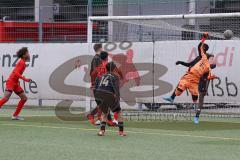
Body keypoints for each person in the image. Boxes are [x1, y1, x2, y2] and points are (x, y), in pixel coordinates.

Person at [163, 32, 216, 106]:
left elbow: (211, 65)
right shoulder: (199, 57)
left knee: (194, 92)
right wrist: (181, 62)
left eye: (202, 47)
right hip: (190, 75)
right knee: (181, 84)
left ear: (203, 48)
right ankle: (172, 98)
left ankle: (194, 104)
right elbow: (189, 64)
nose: (200, 48)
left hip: (197, 78)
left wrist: (204, 38)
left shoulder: (204, 57)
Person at [95, 62, 126, 136]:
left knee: (105, 112)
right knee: (119, 112)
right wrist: (117, 100)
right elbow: (116, 89)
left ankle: (102, 131)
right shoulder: (115, 76)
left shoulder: (102, 76)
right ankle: (121, 132)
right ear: (114, 68)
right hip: (108, 94)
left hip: (98, 94)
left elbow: (97, 85)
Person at [0, 47, 32, 120]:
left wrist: (19, 80)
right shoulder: (21, 62)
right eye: (27, 53)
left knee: (24, 98)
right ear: (24, 55)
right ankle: (15, 115)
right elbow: (15, 72)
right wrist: (24, 79)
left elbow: (16, 73)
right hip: (11, 82)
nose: (29, 54)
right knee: (5, 98)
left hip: (15, 83)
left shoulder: (23, 62)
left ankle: (15, 116)